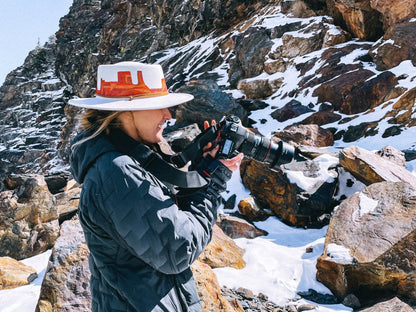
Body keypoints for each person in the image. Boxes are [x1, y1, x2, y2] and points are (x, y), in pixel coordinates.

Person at [68, 61, 243, 312]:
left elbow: (167, 219)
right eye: (157, 106)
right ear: (126, 112)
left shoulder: (129, 156)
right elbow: (179, 248)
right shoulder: (117, 172)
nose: (169, 115)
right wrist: (213, 183)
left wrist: (202, 168)